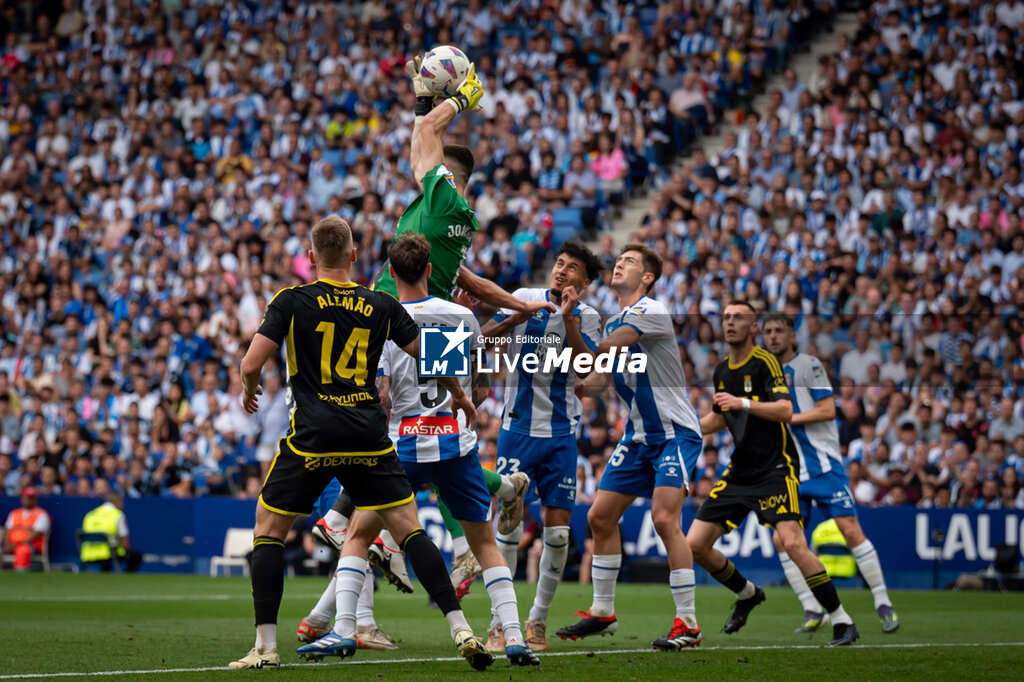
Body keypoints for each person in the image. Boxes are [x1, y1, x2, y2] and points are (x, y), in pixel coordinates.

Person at [311, 56, 548, 593]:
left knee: (378, 430)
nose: (418, 162)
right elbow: (476, 283)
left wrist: (460, 98)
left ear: (449, 177)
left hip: (406, 329)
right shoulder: (441, 223)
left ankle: (355, 535)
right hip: (426, 331)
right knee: (436, 456)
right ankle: (500, 494)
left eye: (431, 163)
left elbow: (424, 133)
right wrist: (519, 307)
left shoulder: (440, 202)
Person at [230, 216, 491, 671]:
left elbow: (252, 360)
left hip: (312, 437)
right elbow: (428, 356)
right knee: (408, 529)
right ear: (353, 255)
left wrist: (250, 386)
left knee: (269, 530)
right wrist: (461, 395)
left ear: (311, 257)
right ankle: (461, 629)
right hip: (368, 435)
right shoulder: (382, 304)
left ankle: (266, 648)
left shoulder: (291, 300)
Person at [376, 232, 539, 665]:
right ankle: (515, 637)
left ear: (391, 273)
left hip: (404, 444)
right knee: (485, 544)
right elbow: (480, 389)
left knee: (356, 532)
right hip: (454, 442)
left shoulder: (384, 319)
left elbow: (382, 397)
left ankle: (340, 627)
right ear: (431, 270)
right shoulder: (460, 315)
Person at [556, 243, 704, 651]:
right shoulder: (615, 323)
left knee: (663, 519)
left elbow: (606, 352)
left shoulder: (650, 311)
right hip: (638, 437)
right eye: (619, 259)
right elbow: (599, 378)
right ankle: (603, 612)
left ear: (648, 277)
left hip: (674, 433)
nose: (620, 263)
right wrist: (570, 323)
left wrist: (590, 362)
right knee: (600, 518)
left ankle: (688, 622)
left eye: (630, 262)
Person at [686, 301, 859, 647]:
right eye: (727, 317)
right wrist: (685, 428)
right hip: (740, 470)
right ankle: (748, 593)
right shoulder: (722, 370)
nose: (730, 323)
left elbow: (784, 410)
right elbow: (721, 418)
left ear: (753, 327)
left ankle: (842, 620)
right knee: (694, 545)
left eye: (739, 318)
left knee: (793, 542)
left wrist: (745, 403)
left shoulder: (766, 363)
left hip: (775, 469)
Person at [479, 240, 604, 652]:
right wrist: (519, 316)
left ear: (583, 283)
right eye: (560, 264)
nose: (562, 271)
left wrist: (568, 321)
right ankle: (499, 623)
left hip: (561, 435)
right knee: (508, 529)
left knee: (558, 536)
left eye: (572, 269)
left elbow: (588, 373)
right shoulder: (524, 299)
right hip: (517, 430)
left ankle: (536, 622)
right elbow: (485, 337)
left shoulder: (589, 317)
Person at [761, 313, 899, 633]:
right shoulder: (767, 376)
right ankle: (812, 609)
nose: (773, 336)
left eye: (779, 330)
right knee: (782, 540)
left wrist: (786, 417)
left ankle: (882, 602)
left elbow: (827, 409)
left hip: (824, 466)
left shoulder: (808, 365)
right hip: (792, 473)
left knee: (850, 531)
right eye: (767, 331)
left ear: (791, 336)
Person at [80, 492, 142, 572]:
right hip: (109, 555)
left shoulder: (89, 515)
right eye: (121, 501)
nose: (122, 504)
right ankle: (127, 581)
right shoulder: (118, 515)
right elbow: (125, 545)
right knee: (136, 556)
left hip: (88, 555)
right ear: (116, 501)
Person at [3, 487, 50, 571]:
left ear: (35, 500)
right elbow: (7, 530)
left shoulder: (41, 514)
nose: (28, 500)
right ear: (22, 498)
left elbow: (36, 534)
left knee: (22, 551)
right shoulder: (14, 513)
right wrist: (7, 544)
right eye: (27, 497)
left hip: (30, 545)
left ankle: (20, 576)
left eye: (31, 498)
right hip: (11, 544)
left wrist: (18, 544)